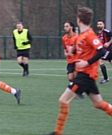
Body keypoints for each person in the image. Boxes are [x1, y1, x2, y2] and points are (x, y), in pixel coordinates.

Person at [44, 7, 112, 135]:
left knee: (63, 100)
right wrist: (72, 52)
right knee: (98, 103)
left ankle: (57, 132)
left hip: (85, 75)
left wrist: (87, 62)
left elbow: (101, 50)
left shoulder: (90, 35)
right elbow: (83, 51)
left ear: (79, 20)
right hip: (85, 75)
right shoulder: (81, 36)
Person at [62, 21, 84, 99]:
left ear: (71, 27)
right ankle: (80, 89)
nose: (65, 28)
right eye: (64, 26)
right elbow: (65, 49)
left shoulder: (76, 37)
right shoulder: (64, 38)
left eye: (67, 26)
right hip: (70, 60)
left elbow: (80, 48)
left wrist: (74, 51)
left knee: (76, 76)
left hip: (77, 60)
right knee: (70, 78)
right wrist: (66, 54)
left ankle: (79, 92)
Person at [97, 20, 112, 84]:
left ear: (104, 25)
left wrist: (108, 43)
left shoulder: (106, 31)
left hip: (108, 49)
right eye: (98, 24)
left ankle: (106, 78)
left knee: (101, 62)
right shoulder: (99, 33)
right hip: (105, 50)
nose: (99, 25)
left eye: (101, 24)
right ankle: (106, 78)